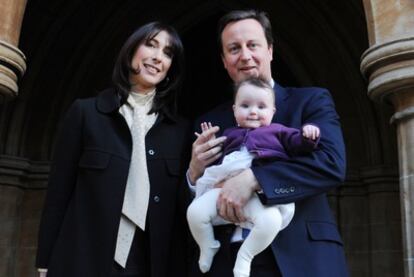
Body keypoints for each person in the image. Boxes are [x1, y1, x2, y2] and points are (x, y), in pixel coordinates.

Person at [188, 10, 348, 277]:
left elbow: (331, 163)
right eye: (234, 48)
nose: (245, 55)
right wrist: (193, 175)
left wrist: (254, 179)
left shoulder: (310, 102)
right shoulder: (208, 121)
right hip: (226, 263)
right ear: (224, 60)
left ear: (270, 50)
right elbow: (189, 199)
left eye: (253, 45)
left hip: (303, 259)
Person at [35, 22, 191, 277]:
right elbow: (58, 194)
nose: (157, 57)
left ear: (171, 69)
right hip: (84, 259)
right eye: (150, 45)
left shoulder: (180, 130)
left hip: (148, 263)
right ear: (131, 51)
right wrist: (45, 263)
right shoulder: (85, 113)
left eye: (167, 53)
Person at [187, 78, 321, 277]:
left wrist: (308, 136)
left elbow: (297, 144)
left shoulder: (278, 132)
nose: (253, 112)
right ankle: (208, 245)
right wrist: (210, 141)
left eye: (261, 107)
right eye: (245, 105)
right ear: (234, 110)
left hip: (259, 196)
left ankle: (246, 256)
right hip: (224, 191)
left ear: (272, 112)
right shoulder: (230, 134)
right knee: (195, 212)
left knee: (272, 221)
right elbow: (217, 157)